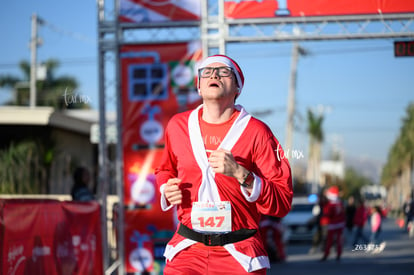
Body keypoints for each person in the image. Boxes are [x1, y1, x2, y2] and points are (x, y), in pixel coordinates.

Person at [155, 54, 293, 274]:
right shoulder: (177, 126)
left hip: (239, 253)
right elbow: (164, 169)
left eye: (223, 71)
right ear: (199, 87)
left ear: (238, 87)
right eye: (206, 72)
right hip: (188, 250)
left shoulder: (258, 132)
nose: (214, 75)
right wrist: (166, 188)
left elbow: (282, 200)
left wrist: (241, 174)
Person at [320, 186, 345, 261]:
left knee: (329, 240)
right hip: (340, 223)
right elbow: (343, 213)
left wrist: (324, 215)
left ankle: (326, 254)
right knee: (338, 240)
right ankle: (338, 254)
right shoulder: (340, 203)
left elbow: (328, 213)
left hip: (332, 223)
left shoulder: (330, 204)